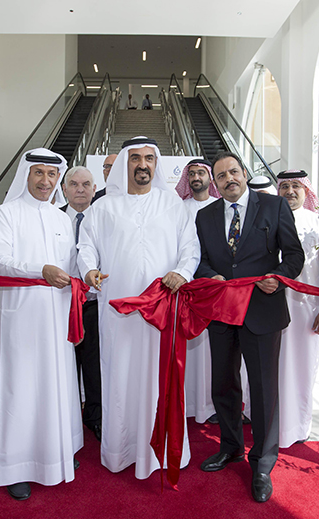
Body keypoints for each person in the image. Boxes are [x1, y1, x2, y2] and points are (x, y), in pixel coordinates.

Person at [76, 136, 200, 480]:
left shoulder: (172, 204)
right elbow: (85, 245)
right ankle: (122, 450)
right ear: (123, 165)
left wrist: (182, 272)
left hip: (163, 307)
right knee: (120, 375)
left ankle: (161, 451)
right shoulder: (104, 207)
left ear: (156, 164)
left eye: (148, 158)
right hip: (118, 310)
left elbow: (190, 247)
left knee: (161, 379)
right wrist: (89, 270)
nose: (142, 164)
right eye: (135, 159)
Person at [194, 151, 304, 503]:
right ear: (215, 183)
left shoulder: (273, 207)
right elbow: (200, 261)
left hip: (262, 311)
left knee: (263, 389)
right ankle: (231, 448)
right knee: (223, 385)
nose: (229, 179)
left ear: (244, 172)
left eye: (233, 171)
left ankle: (262, 463)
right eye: (221, 176)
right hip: (223, 313)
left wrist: (279, 277)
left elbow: (294, 255)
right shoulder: (204, 216)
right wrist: (211, 275)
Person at [0, 148, 82, 501]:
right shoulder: (7, 213)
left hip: (58, 317)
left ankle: (60, 452)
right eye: (38, 173)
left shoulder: (61, 218)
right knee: (23, 387)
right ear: (26, 176)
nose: (46, 181)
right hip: (23, 316)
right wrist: (39, 271)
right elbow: (0, 262)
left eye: (51, 175)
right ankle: (19, 466)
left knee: (58, 384)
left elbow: (71, 265)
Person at [276, 169, 319, 448]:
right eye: (284, 186)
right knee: (269, 367)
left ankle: (297, 426)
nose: (290, 191)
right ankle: (264, 419)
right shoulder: (269, 219)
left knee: (301, 368)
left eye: (295, 186)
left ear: (306, 190)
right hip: (271, 307)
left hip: (308, 311)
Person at [174, 159, 221, 423]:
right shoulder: (179, 208)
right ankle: (187, 402)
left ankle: (209, 405)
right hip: (185, 287)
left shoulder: (219, 208)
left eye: (201, 173)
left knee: (212, 349)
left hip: (212, 284)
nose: (195, 178)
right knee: (187, 345)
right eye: (191, 174)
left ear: (209, 178)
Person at [60, 166, 102, 442]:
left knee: (95, 366)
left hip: (93, 304)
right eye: (73, 184)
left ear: (94, 189)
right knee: (63, 367)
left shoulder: (103, 217)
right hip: (61, 304)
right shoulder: (53, 219)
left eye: (86, 184)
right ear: (63, 189)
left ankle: (95, 419)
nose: (80, 189)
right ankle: (67, 420)